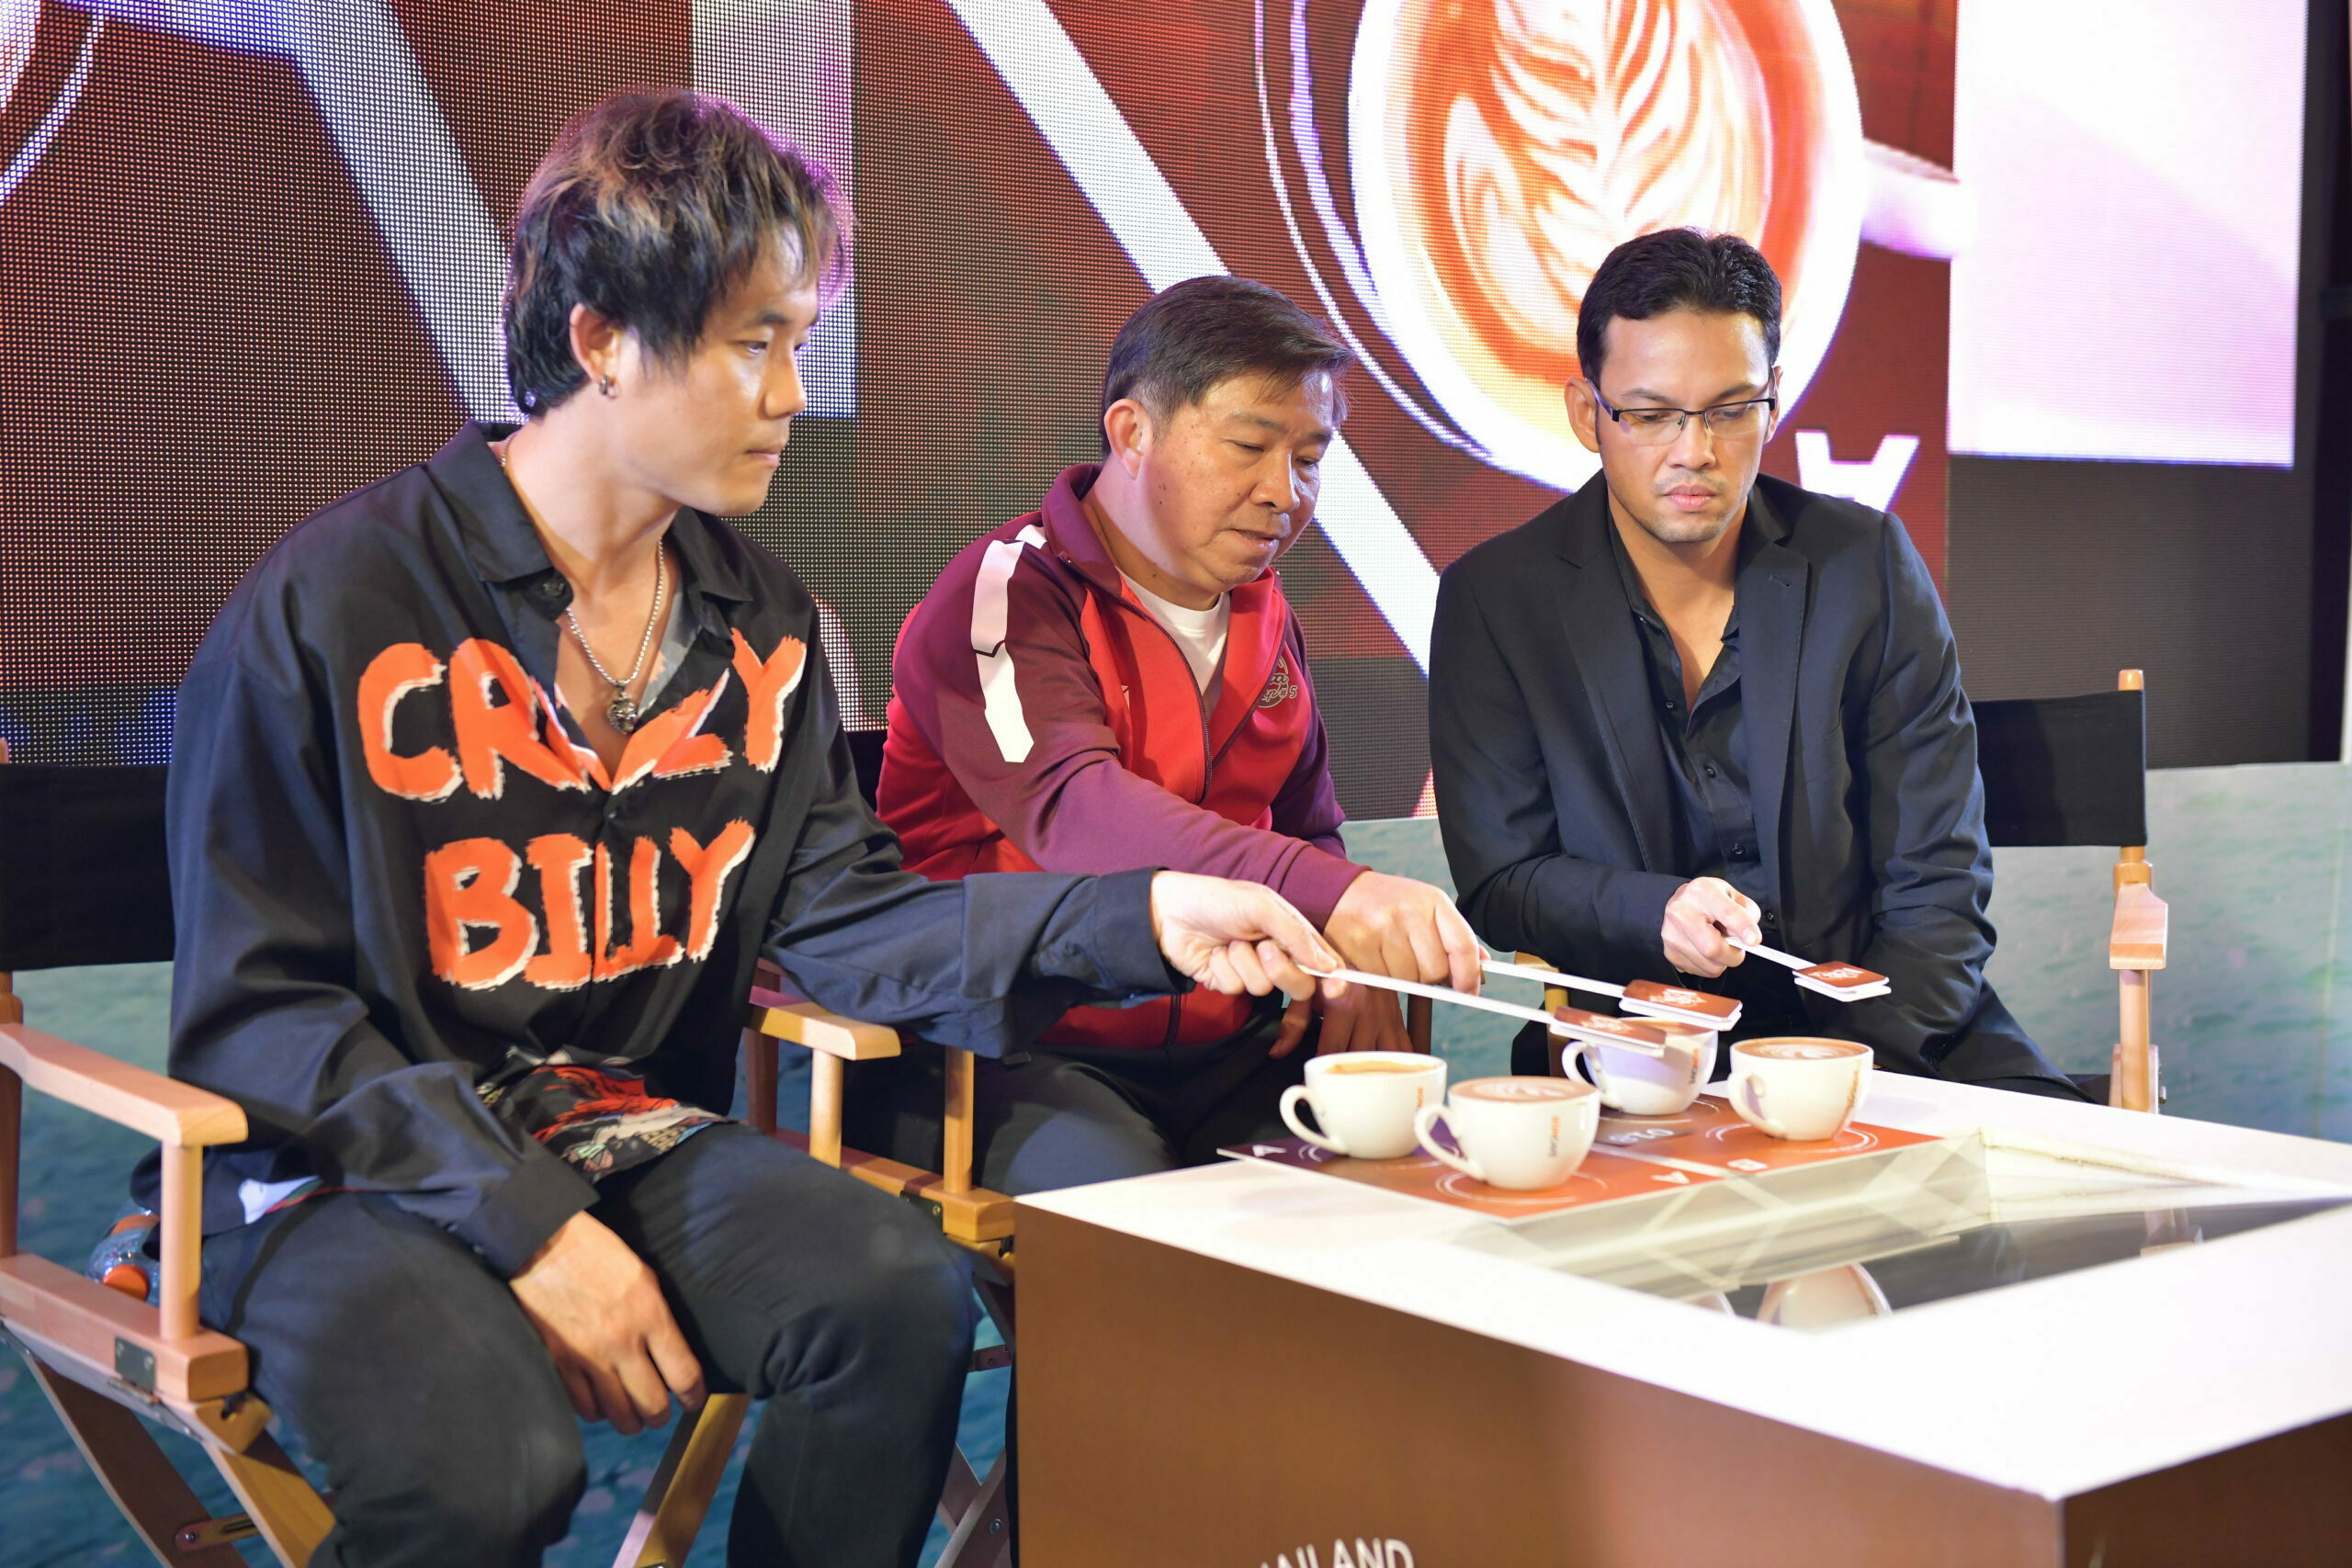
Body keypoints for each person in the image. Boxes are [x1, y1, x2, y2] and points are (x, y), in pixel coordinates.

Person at [144, 90, 1345, 1568]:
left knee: (893, 1297)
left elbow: (846, 917)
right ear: (601, 339)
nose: (791, 392)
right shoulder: (336, 599)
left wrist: (1140, 912)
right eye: (754, 343)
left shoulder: (761, 619)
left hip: (617, 1128)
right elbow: (262, 1015)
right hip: (341, 1165)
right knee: (492, 1468)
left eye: (801, 342)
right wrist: (529, 1220)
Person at [1428, 228, 2085, 1099]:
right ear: (1588, 414)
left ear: (1773, 402)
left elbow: (1939, 876)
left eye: (1730, 409)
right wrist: (1653, 911)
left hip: (1893, 1033)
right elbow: (1503, 881)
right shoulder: (1497, 600)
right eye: (1651, 414)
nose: (1694, 451)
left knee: (2081, 1168)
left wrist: (1855, 1061)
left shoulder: (1865, 565)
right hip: (1645, 1048)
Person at [861, 276, 1483, 1196]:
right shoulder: (1005, 595)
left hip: (1235, 1041)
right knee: (1151, 1228)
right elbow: (1075, 811)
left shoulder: (1267, 613)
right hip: (1008, 1047)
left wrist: (1340, 964)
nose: (1284, 492)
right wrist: (1337, 897)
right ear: (1131, 433)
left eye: (1310, 457)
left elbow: (1305, 827)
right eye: (1249, 447)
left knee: (1422, 1194)